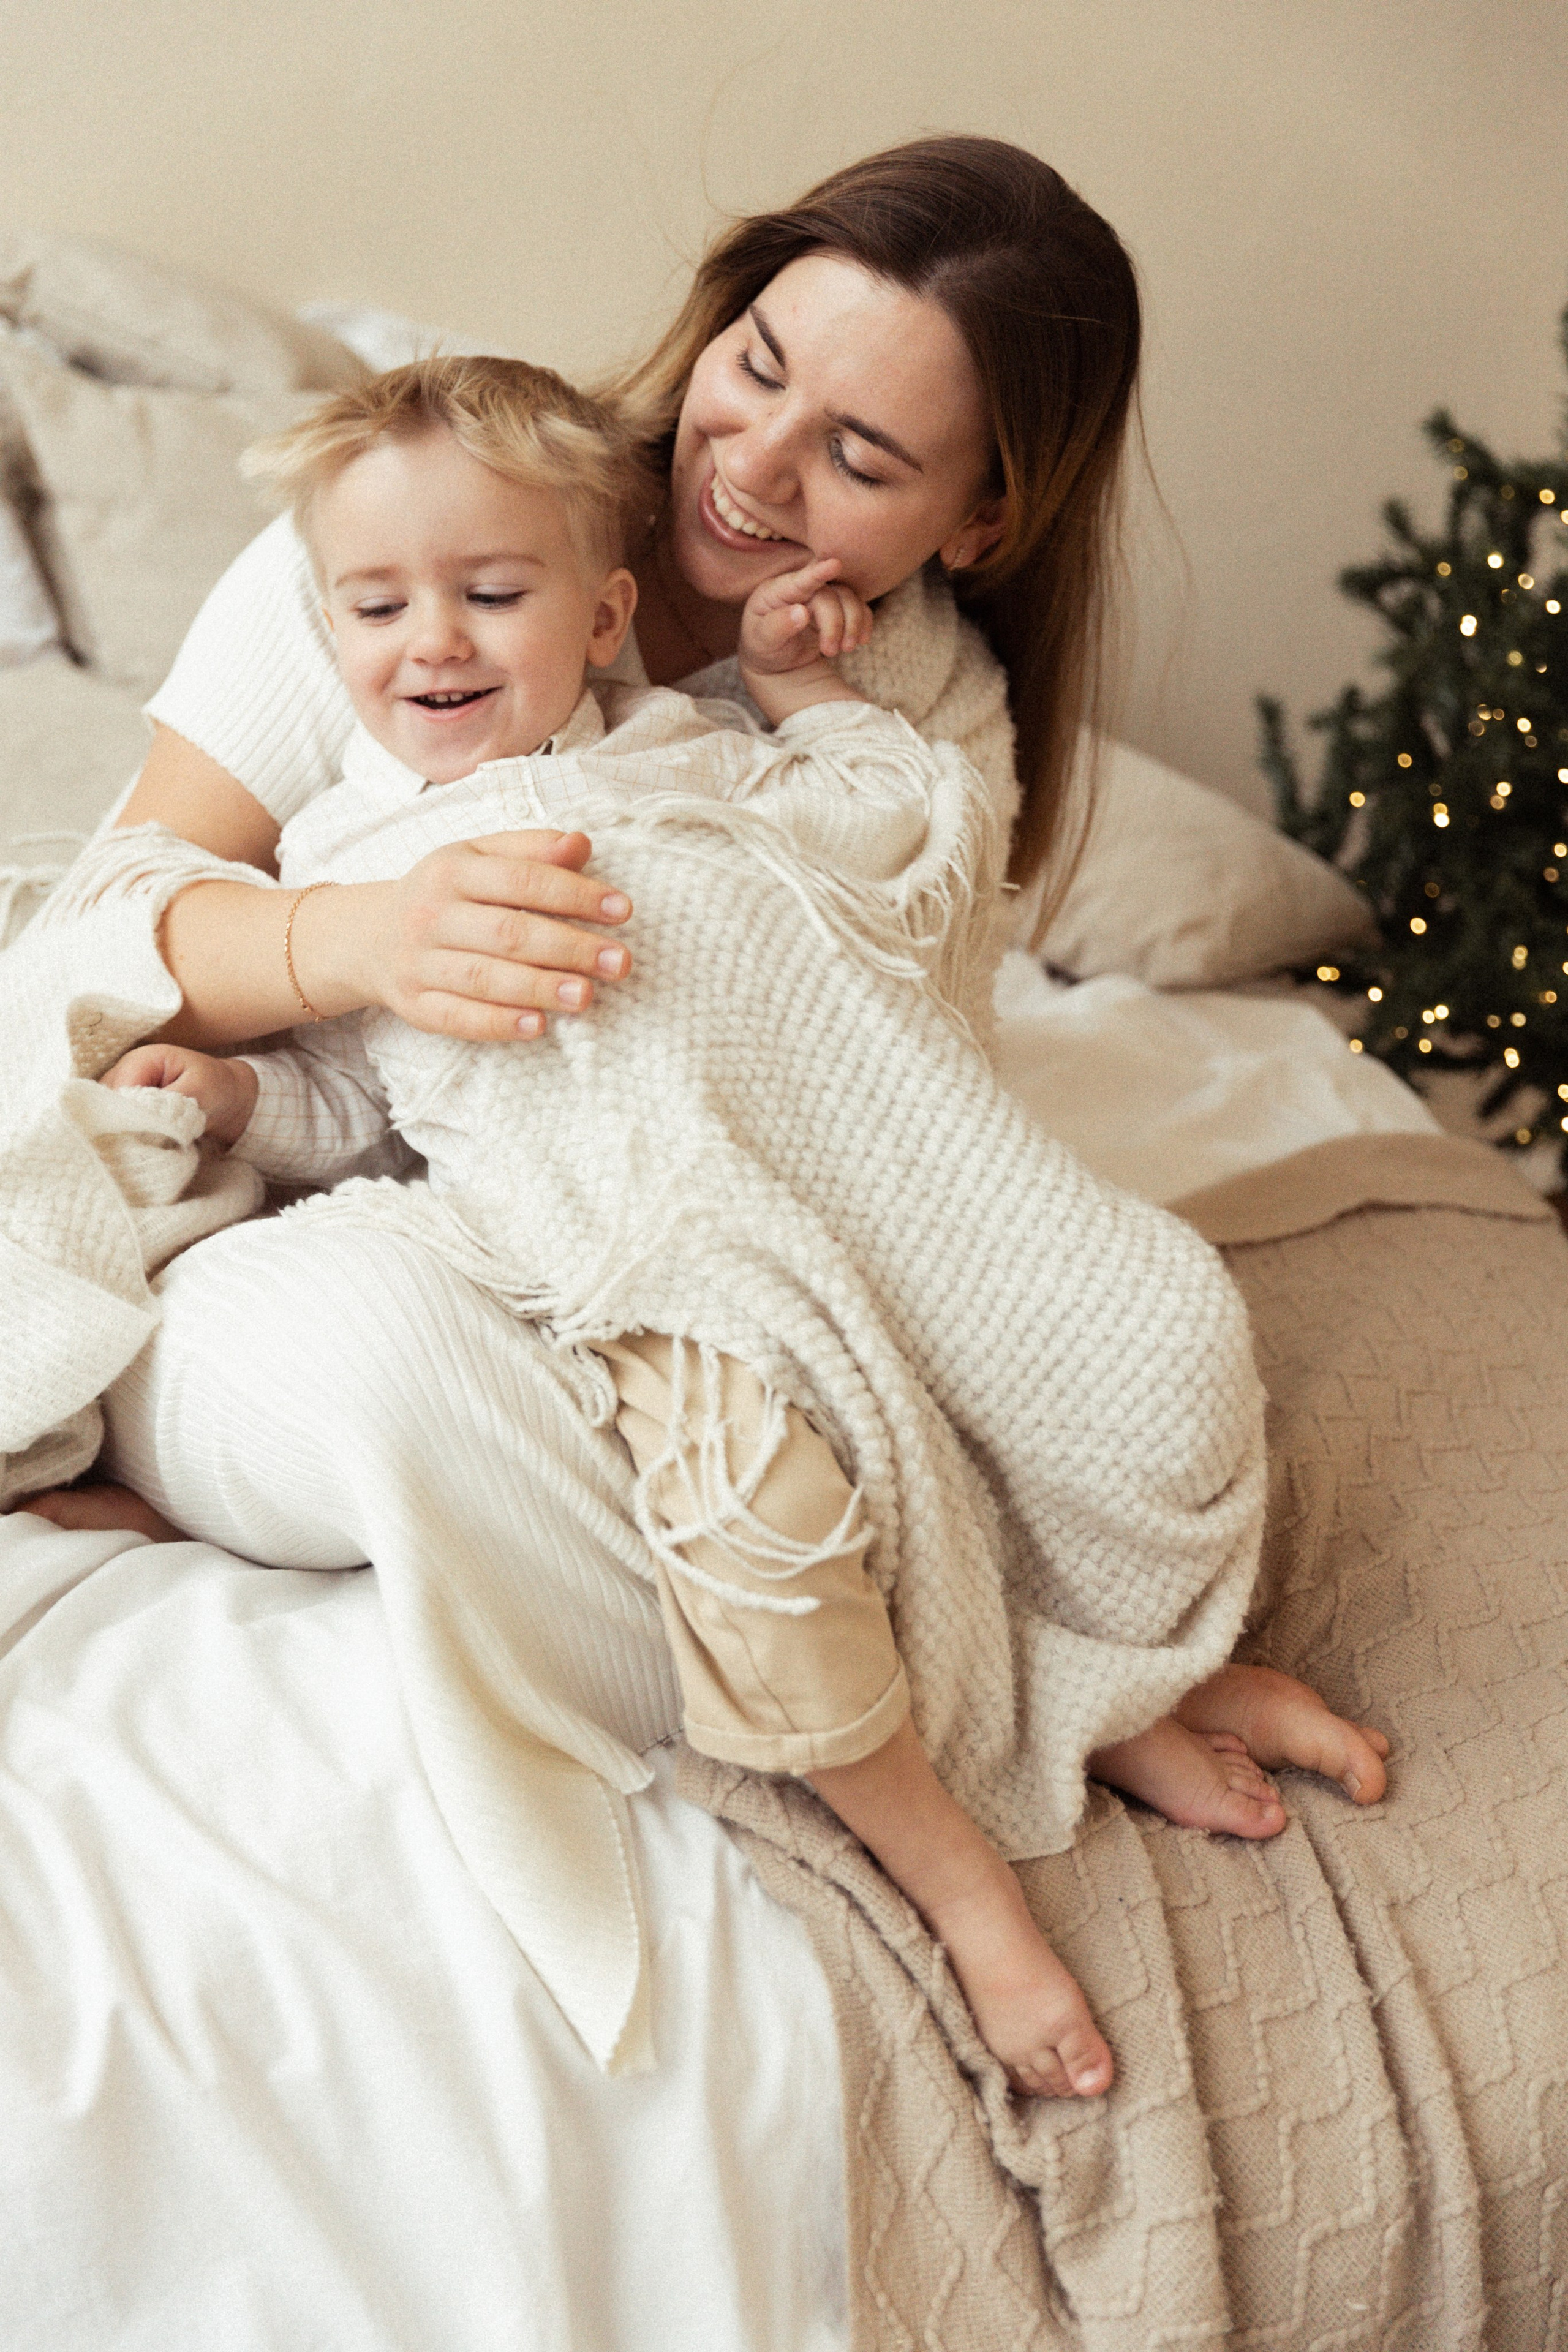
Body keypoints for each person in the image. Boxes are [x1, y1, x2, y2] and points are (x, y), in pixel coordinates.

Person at [22, 139, 1388, 2094]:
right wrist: (352, 939)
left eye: (860, 455)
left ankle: (980, 1652)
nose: (750, 464)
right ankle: (1019, 1702)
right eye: (757, 365)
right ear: (717, 311)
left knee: (1070, 1360)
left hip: (681, 1247)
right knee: (408, 1375)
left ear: (978, 522)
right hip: (348, 1221)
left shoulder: (909, 707)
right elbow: (93, 940)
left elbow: (881, 1125)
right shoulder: (425, 520)